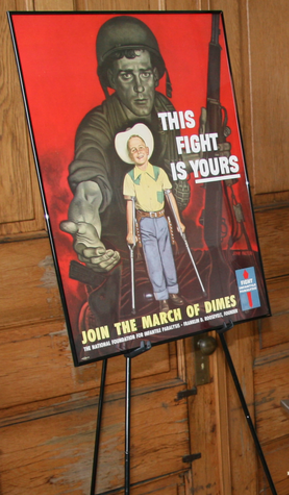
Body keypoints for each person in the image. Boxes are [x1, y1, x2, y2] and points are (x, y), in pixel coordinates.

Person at [60, 16, 189, 318]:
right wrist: (85, 229)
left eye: (145, 73)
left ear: (156, 74)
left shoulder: (165, 108)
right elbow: (88, 190)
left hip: (165, 238)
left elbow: (174, 172)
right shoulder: (98, 125)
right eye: (127, 75)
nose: (141, 87)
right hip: (120, 258)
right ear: (111, 79)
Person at [118, 124, 185, 312]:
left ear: (147, 150)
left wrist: (178, 222)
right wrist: (131, 232)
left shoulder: (159, 173)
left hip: (162, 220)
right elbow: (130, 205)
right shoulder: (130, 177)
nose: (138, 152)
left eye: (140, 147)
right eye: (133, 150)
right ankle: (162, 297)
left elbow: (169, 197)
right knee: (153, 261)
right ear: (130, 156)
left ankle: (173, 292)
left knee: (167, 257)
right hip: (145, 223)